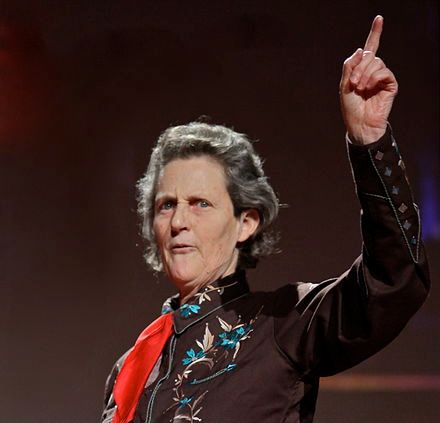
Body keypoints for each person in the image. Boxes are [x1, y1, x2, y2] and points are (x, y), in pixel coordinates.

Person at [101, 16, 430, 423]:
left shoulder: (283, 325)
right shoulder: (132, 365)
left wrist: (370, 143)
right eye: (166, 205)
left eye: (201, 203)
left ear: (246, 222)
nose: (178, 221)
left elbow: (393, 282)